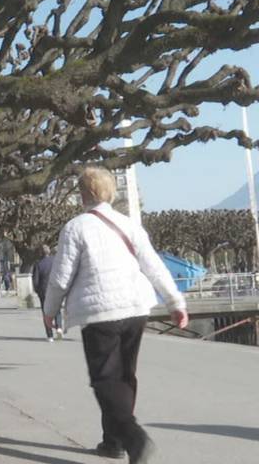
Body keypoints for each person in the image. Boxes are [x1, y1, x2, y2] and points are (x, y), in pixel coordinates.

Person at [44, 167, 187, 464]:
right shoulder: (129, 224)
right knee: (124, 376)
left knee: (105, 379)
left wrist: (49, 311)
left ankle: (134, 439)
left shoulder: (75, 227)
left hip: (100, 313)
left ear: (82, 193)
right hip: (135, 308)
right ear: (110, 192)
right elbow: (154, 265)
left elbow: (60, 278)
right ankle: (113, 442)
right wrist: (175, 302)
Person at [33, 245, 63, 341]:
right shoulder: (56, 262)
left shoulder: (38, 264)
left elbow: (36, 281)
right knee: (57, 311)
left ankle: (50, 336)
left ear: (41, 253)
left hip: (44, 292)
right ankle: (58, 328)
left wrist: (38, 291)